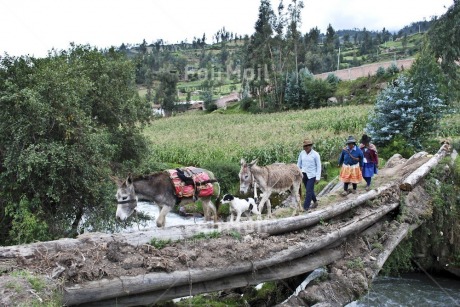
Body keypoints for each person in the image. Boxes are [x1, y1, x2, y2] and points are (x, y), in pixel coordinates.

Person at [297, 138, 321, 211]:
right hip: (304, 174)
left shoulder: (315, 154)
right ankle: (315, 202)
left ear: (311, 146)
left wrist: (317, 177)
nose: (306, 147)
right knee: (309, 189)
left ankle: (305, 207)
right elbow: (299, 164)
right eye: (305, 146)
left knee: (308, 191)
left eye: (308, 146)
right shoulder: (302, 153)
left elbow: (319, 166)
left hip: (312, 175)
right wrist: (298, 172)